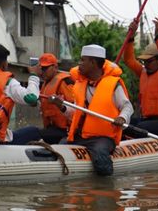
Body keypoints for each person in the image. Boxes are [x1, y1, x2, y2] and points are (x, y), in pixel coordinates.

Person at [50, 44, 134, 176]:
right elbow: (75, 112)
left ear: (93, 63)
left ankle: (106, 191)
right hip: (79, 136)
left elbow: (127, 107)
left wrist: (122, 118)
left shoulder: (113, 84)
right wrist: (62, 106)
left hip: (103, 138)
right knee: (60, 146)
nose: (79, 64)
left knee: (100, 156)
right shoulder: (80, 84)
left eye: (83, 60)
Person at [38, 53, 75, 144]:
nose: (43, 71)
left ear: (55, 67)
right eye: (42, 69)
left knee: (33, 132)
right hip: (51, 129)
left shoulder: (65, 81)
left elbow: (74, 108)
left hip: (65, 131)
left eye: (46, 68)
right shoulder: (45, 84)